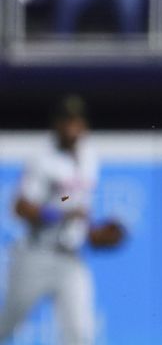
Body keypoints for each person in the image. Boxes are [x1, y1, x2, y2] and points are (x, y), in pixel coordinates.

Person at [0, 95, 126, 345]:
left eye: (77, 120)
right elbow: (20, 208)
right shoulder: (43, 157)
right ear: (56, 124)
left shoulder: (89, 154)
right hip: (36, 256)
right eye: (66, 120)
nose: (72, 126)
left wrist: (94, 233)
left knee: (80, 335)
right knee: (8, 324)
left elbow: (78, 208)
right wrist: (59, 214)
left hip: (71, 258)